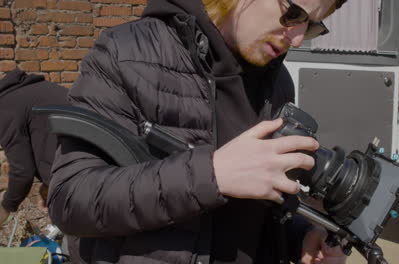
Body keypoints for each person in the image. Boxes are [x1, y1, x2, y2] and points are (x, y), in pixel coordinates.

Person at [48, 0, 349, 263]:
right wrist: (213, 174)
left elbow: (261, 208)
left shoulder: (278, 82)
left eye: (310, 25)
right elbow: (71, 199)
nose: (297, 39)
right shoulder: (126, 53)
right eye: (293, 12)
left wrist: (300, 238)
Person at [0, 69, 68, 225]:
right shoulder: (26, 92)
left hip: (84, 179)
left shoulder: (4, 109)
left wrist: (5, 208)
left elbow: (22, 171)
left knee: (80, 241)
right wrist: (48, 184)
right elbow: (50, 139)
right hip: (97, 166)